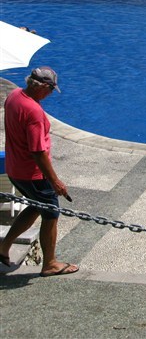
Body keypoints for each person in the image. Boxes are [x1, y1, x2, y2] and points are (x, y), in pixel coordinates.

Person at [0, 67, 79, 277]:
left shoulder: (14, 96)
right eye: (51, 89)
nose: (51, 93)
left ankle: (4, 246)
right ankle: (50, 263)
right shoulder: (33, 111)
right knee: (51, 214)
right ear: (42, 86)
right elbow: (38, 152)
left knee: (36, 206)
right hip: (33, 174)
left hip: (14, 168)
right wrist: (55, 181)